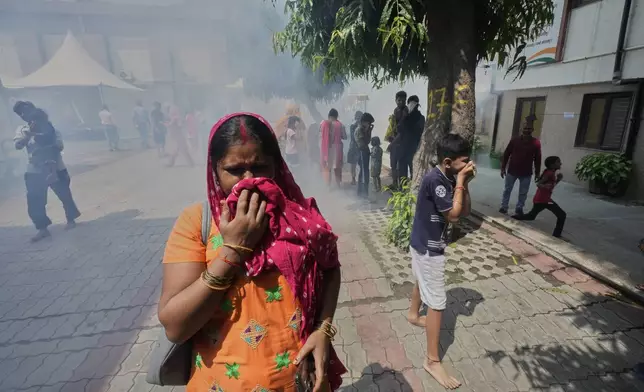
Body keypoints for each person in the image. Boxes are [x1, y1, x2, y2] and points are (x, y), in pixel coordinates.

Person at [158, 112, 346, 391]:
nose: (249, 180)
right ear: (215, 170)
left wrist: (323, 329)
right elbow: (175, 326)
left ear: (276, 166)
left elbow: (331, 269)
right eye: (234, 170)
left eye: (260, 167)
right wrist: (233, 251)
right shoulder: (197, 223)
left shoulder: (299, 216)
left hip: (300, 382)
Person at [407, 133, 474, 390]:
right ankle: (432, 360)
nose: (468, 165)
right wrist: (460, 181)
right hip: (428, 247)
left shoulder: (448, 176)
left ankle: (413, 315)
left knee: (420, 278)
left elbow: (465, 209)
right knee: (437, 302)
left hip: (423, 243)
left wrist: (463, 183)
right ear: (448, 162)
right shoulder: (437, 179)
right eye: (464, 161)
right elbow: (455, 215)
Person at [13, 102, 81, 242]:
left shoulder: (50, 127)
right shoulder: (22, 129)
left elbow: (59, 145)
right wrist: (29, 135)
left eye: (26, 111)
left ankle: (71, 219)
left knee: (64, 195)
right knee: (35, 200)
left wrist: (45, 142)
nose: (24, 115)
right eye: (21, 114)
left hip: (56, 167)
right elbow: (18, 145)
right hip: (34, 171)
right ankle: (42, 228)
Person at [513, 156, 566, 237]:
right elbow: (539, 183)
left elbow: (551, 186)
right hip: (544, 200)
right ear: (552, 165)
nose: (560, 163)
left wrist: (558, 180)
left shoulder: (550, 172)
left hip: (541, 199)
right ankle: (556, 235)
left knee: (531, 216)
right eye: (558, 162)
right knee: (562, 215)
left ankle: (515, 217)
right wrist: (544, 186)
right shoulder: (549, 173)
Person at [500, 120, 542, 215]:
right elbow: (506, 154)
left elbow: (538, 158)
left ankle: (519, 208)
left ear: (532, 129)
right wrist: (503, 168)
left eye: (529, 128)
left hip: (526, 172)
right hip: (512, 170)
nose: (527, 130)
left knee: (523, 193)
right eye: (525, 128)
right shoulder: (514, 140)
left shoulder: (536, 143)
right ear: (521, 129)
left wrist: (538, 172)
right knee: (507, 190)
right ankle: (503, 207)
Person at [397, 95, 425, 181]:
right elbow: (399, 128)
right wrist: (405, 116)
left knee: (413, 172)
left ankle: (410, 191)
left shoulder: (420, 117)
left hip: (413, 149)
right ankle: (402, 190)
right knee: (403, 172)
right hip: (404, 149)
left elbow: (420, 131)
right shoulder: (406, 117)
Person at [384, 91, 408, 189]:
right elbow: (395, 127)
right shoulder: (396, 110)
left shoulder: (406, 111)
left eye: (403, 100)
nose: (401, 102)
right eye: (399, 100)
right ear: (395, 100)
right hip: (395, 141)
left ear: (405, 100)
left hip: (402, 142)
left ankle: (403, 186)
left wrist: (392, 144)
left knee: (402, 166)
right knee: (393, 164)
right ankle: (395, 184)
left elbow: (402, 131)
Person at [319, 109, 346, 187]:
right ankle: (338, 185)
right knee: (337, 168)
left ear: (329, 116)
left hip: (326, 149)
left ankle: (328, 186)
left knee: (328, 168)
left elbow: (320, 136)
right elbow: (344, 136)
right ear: (336, 116)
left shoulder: (322, 123)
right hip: (337, 150)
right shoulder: (340, 125)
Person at [354, 112, 374, 197]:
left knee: (365, 171)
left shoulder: (364, 130)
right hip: (362, 151)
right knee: (363, 172)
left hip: (364, 152)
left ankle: (364, 192)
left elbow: (368, 141)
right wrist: (367, 131)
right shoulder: (359, 130)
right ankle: (362, 193)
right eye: (369, 123)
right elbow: (363, 143)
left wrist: (369, 131)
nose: (369, 125)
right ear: (364, 122)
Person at [347, 111, 363, 185]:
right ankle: (354, 179)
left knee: (356, 164)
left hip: (355, 146)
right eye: (358, 116)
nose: (359, 118)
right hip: (356, 146)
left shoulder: (356, 125)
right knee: (354, 164)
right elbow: (353, 137)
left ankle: (356, 179)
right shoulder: (354, 126)